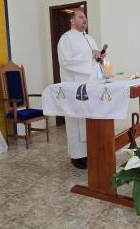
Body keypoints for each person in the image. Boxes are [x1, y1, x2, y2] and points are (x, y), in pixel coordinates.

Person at [57, 10, 106, 169]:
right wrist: (89, 55)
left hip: (92, 86)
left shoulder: (90, 38)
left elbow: (94, 62)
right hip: (75, 87)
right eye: (81, 17)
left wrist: (99, 58)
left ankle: (92, 151)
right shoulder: (66, 39)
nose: (85, 20)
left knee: (91, 119)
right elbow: (65, 62)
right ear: (72, 21)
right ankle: (77, 156)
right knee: (77, 121)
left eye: (85, 17)